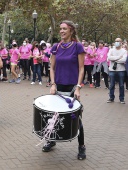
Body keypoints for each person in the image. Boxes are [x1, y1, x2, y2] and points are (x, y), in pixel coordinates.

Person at [43, 20, 86, 160]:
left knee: (76, 118)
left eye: (64, 29)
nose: (61, 31)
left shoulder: (78, 46)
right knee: (53, 116)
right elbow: (52, 67)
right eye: (60, 29)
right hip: (58, 85)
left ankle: (81, 146)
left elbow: (81, 68)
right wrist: (53, 84)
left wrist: (78, 87)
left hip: (72, 86)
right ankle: (51, 140)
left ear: (71, 30)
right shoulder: (56, 47)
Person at [107, 38, 127, 104]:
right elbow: (109, 57)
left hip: (121, 70)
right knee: (112, 84)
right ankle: (111, 97)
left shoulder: (124, 51)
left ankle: (122, 98)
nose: (116, 42)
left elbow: (124, 60)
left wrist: (114, 58)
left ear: (121, 42)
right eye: (115, 41)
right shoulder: (111, 50)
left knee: (121, 85)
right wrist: (119, 57)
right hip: (112, 70)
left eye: (118, 41)